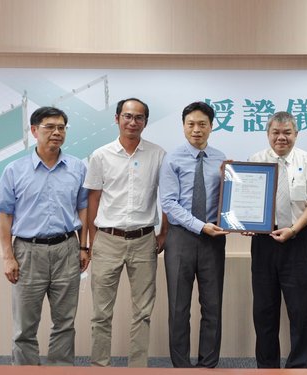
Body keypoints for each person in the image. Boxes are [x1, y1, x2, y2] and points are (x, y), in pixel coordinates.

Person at [0, 106, 89, 366]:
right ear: (34, 130)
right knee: (24, 327)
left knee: (65, 323)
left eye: (61, 127)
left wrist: (84, 247)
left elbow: (83, 210)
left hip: (67, 249)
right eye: (49, 127)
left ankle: (61, 370)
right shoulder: (14, 170)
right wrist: (8, 257)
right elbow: (4, 217)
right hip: (27, 252)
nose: (56, 132)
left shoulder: (77, 168)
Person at [85, 98, 167, 367]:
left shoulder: (158, 154)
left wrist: (163, 233)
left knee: (142, 312)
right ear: (117, 118)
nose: (133, 122)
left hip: (144, 240)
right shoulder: (100, 155)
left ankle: (137, 368)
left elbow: (167, 197)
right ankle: (99, 366)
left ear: (145, 121)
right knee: (101, 313)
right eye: (127, 116)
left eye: (139, 117)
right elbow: (93, 200)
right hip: (107, 239)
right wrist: (93, 239)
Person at [247, 111, 307, 368]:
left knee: (300, 311)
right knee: (264, 311)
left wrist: (294, 229)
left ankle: (299, 367)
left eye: (287, 133)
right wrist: (246, 222)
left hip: (297, 240)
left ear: (296, 134)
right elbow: (246, 199)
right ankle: (267, 368)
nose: (281, 138)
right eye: (276, 132)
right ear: (268, 134)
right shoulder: (255, 160)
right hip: (263, 242)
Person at [159, 101, 228, 368]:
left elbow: (230, 200)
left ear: (211, 126)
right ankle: (181, 367)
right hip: (180, 238)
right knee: (179, 308)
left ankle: (208, 365)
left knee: (212, 306)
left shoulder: (222, 159)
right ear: (184, 126)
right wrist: (199, 226)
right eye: (191, 124)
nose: (196, 130)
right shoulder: (172, 159)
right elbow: (169, 204)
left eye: (202, 124)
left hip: (214, 239)